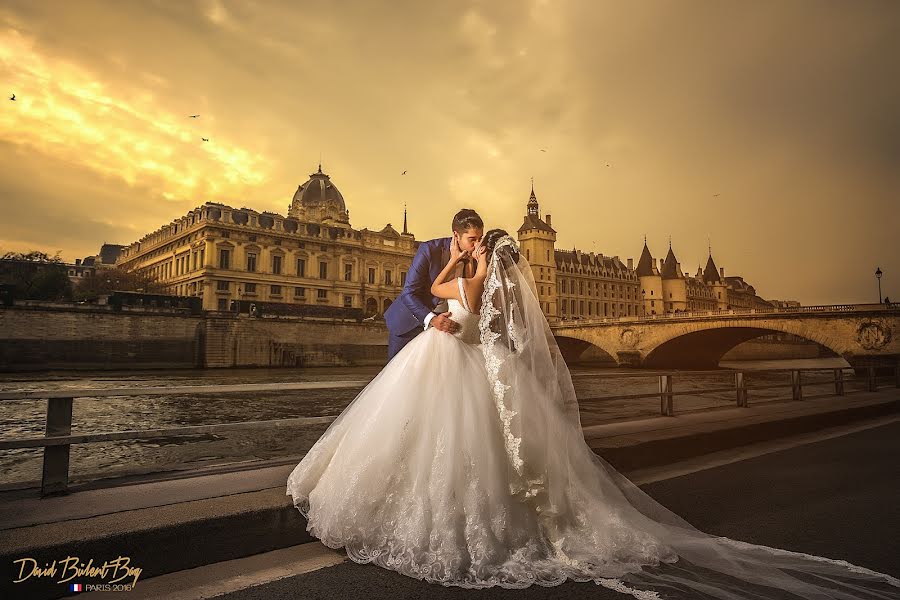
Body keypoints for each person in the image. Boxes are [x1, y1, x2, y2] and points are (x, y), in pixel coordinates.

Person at [287, 230, 900, 598]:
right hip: (488, 362)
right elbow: (436, 303)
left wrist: (458, 263)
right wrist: (467, 263)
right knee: (506, 448)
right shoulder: (496, 285)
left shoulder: (467, 280)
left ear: (481, 250)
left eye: (476, 245)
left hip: (461, 357)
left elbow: (437, 290)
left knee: (454, 443)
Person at [383, 209, 483, 360]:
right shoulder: (429, 250)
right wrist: (432, 319)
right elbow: (408, 293)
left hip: (449, 332)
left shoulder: (478, 257)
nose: (477, 245)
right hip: (410, 325)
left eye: (480, 239)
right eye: (472, 239)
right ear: (456, 235)